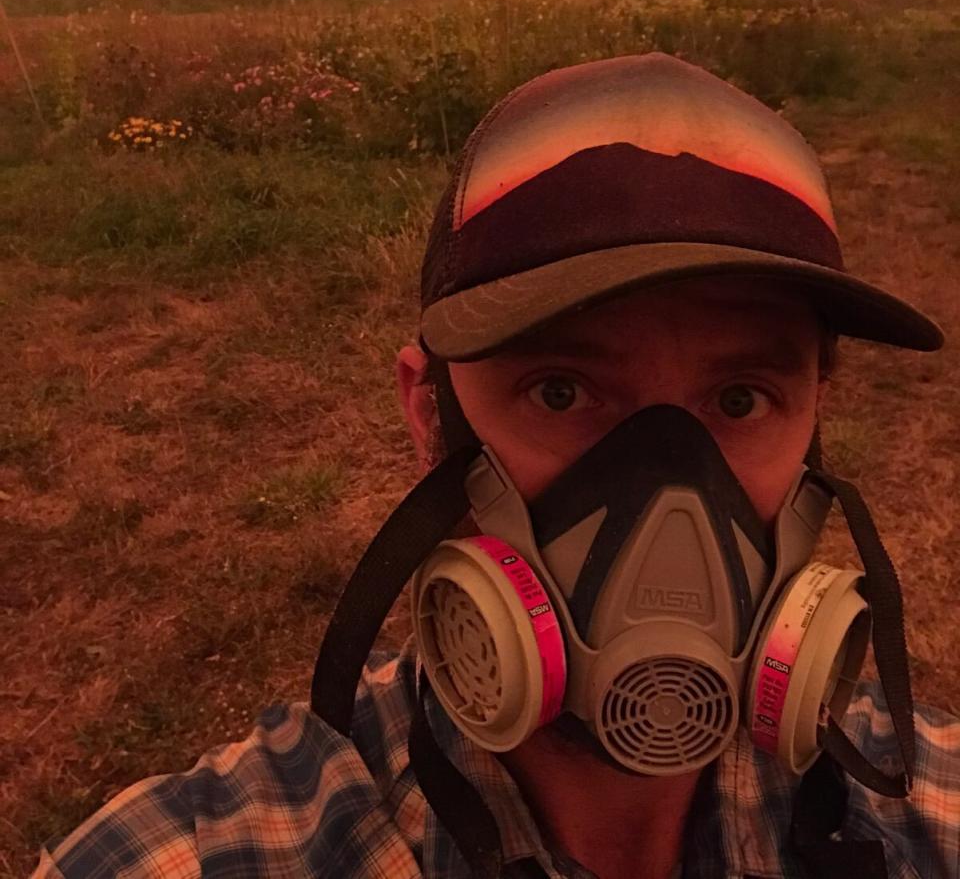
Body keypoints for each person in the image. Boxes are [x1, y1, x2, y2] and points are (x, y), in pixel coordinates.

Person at [31, 54, 957, 879]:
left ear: (814, 425)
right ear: (429, 414)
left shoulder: (929, 820)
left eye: (742, 399)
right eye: (561, 391)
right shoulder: (209, 854)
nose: (671, 504)